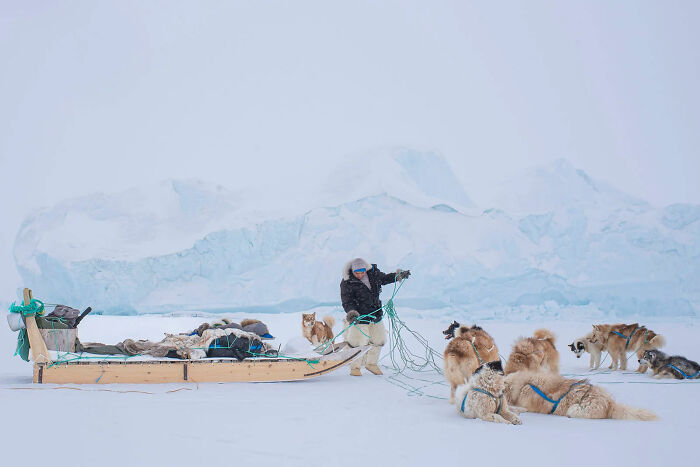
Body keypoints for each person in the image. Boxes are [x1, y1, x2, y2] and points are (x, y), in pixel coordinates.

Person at [340, 258, 410, 376]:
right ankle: (355, 367)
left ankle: (371, 364)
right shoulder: (347, 282)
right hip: (359, 316)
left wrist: (398, 275)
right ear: (352, 271)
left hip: (375, 313)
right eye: (357, 273)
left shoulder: (373, 274)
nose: (360, 275)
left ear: (365, 270)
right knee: (357, 342)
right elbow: (347, 301)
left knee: (379, 339)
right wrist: (352, 313)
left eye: (362, 272)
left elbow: (385, 278)